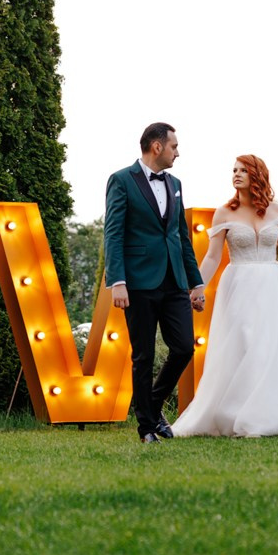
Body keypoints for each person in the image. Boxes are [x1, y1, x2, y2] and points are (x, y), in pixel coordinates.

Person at [171, 154, 278, 439]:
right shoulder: (224, 212)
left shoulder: (277, 211)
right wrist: (198, 287)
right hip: (238, 285)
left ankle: (269, 414)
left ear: (257, 175)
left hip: (273, 287)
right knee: (243, 344)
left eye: (243, 170)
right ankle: (236, 413)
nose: (236, 174)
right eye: (234, 170)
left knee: (269, 347)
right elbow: (213, 257)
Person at [103, 122, 207, 443]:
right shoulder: (121, 180)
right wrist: (117, 280)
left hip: (174, 280)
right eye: (174, 146)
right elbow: (114, 232)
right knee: (143, 356)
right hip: (138, 282)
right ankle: (147, 427)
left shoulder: (175, 183)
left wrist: (196, 283)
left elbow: (181, 236)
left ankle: (153, 403)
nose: (178, 152)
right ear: (157, 147)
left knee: (183, 347)